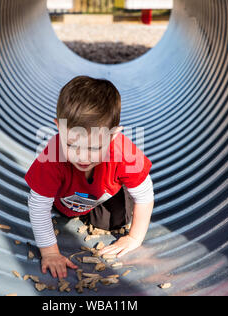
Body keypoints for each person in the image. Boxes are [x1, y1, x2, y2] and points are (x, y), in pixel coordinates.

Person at [25, 76, 154, 279]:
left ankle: (97, 212)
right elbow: (38, 206)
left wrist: (134, 238)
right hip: (65, 199)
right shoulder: (52, 157)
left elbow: (145, 195)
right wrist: (50, 253)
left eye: (94, 148)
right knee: (55, 204)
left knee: (116, 220)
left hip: (104, 194)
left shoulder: (124, 152)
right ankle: (72, 208)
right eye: (71, 145)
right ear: (58, 127)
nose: (82, 157)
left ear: (113, 136)